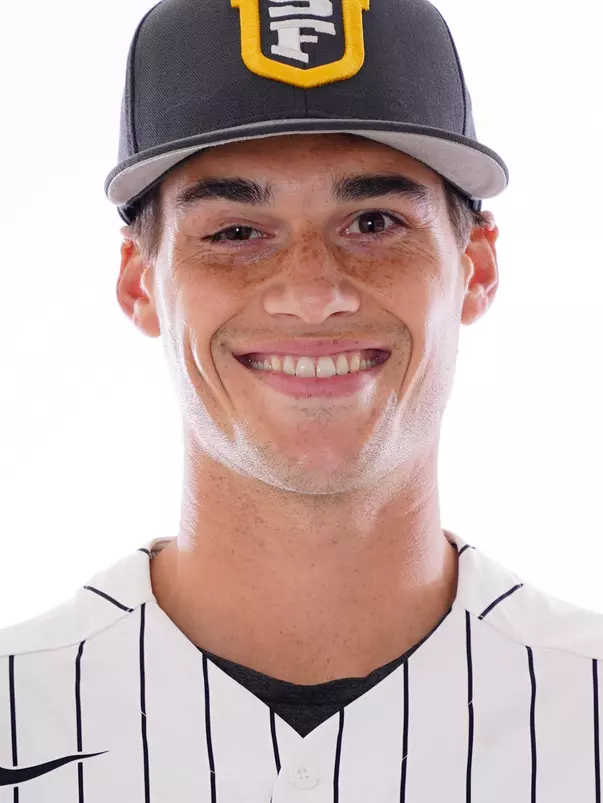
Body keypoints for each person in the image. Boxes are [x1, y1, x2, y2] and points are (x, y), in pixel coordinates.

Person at [2, 1, 602, 800]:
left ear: (476, 265)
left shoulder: (584, 708)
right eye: (236, 233)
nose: (312, 293)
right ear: (139, 282)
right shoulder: (19, 713)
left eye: (374, 220)